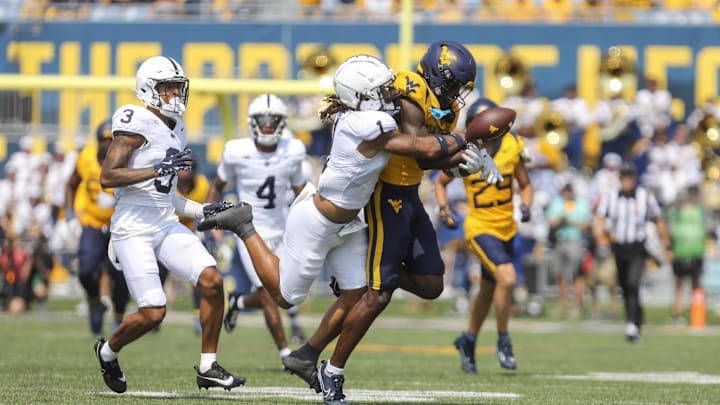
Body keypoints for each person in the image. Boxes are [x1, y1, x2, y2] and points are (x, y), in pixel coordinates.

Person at [200, 53, 496, 405]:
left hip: (350, 222)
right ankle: (243, 224)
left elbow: (425, 146)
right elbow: (419, 147)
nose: (391, 93)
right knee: (285, 297)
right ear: (361, 96)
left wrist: (464, 156)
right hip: (318, 221)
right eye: (382, 89)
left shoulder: (372, 114)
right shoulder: (365, 123)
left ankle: (307, 357)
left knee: (358, 293)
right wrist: (467, 140)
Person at [93, 55, 243, 394]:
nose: (175, 93)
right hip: (132, 228)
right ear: (148, 90)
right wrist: (155, 169)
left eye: (177, 86)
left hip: (165, 221)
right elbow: (107, 176)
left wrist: (204, 210)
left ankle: (208, 366)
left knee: (212, 280)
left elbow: (167, 197)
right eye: (167, 87)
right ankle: (107, 352)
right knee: (154, 311)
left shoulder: (177, 128)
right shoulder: (135, 120)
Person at [206, 93, 307, 363]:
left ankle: (238, 302)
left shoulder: (293, 150)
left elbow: (302, 193)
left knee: (287, 292)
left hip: (283, 228)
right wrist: (210, 221)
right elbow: (217, 185)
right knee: (266, 292)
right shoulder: (237, 151)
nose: (267, 126)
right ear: (253, 123)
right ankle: (287, 353)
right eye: (262, 120)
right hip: (250, 230)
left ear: (281, 123)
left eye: (273, 120)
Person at [436, 97, 533, 373]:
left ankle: (468, 339)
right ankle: (503, 340)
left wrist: (526, 203)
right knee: (508, 278)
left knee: (490, 289)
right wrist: (444, 209)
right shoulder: (465, 151)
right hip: (479, 228)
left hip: (507, 229)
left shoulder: (513, 146)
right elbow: (441, 183)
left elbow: (526, 185)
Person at [593, 162, 672, 342]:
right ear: (620, 179)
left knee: (633, 283)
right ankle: (634, 319)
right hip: (619, 247)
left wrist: (666, 244)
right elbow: (599, 219)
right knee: (624, 286)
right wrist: (601, 237)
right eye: (624, 177)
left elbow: (658, 220)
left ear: (634, 179)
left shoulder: (645, 197)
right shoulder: (611, 197)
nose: (627, 181)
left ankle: (632, 325)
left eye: (629, 177)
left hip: (638, 247)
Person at [65, 119, 129, 335]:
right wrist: (71, 215)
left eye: (112, 139)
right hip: (92, 223)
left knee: (120, 277)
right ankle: (95, 301)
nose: (108, 144)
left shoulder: (128, 161)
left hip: (118, 225)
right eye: (104, 139)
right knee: (85, 271)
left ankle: (119, 316)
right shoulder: (86, 158)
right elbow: (72, 183)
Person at [546, 181, 591, 318]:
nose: (568, 193)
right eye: (566, 191)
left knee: (577, 273)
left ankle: (577, 306)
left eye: (570, 191)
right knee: (560, 274)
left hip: (575, 240)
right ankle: (562, 306)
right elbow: (551, 222)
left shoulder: (582, 204)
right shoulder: (556, 203)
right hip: (560, 240)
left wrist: (570, 220)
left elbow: (586, 226)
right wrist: (561, 219)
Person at [667, 186, 707, 323]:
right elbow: (670, 233)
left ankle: (698, 314)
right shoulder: (676, 213)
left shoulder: (699, 212)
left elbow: (704, 230)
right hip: (680, 252)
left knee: (696, 285)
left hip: (695, 252)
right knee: (679, 284)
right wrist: (670, 249)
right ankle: (677, 313)